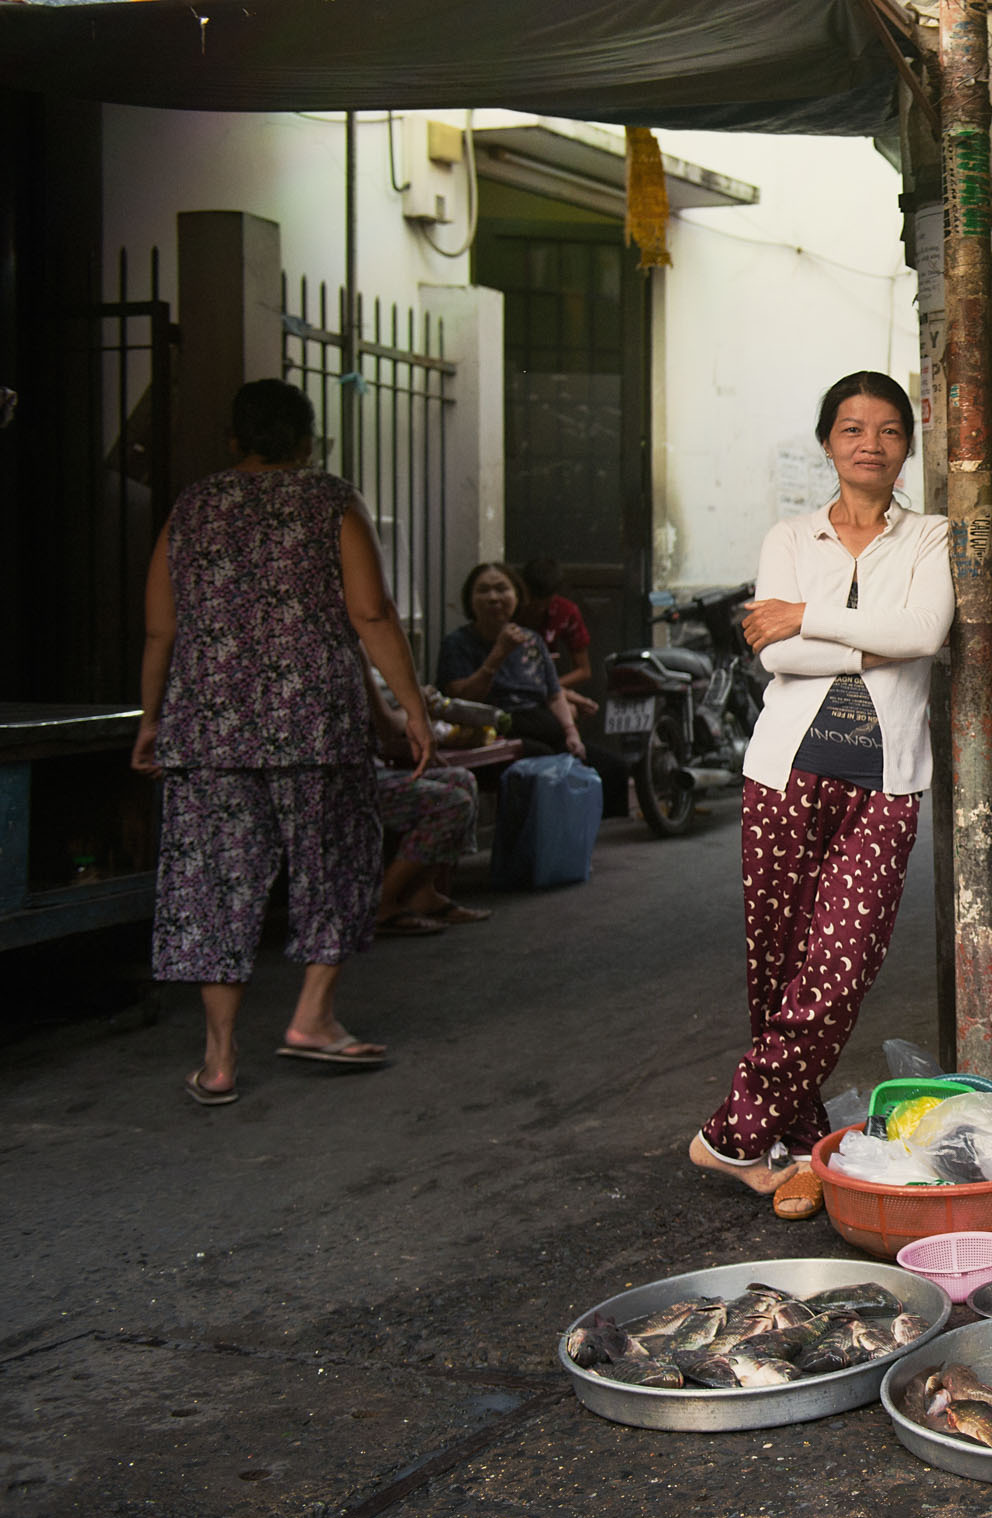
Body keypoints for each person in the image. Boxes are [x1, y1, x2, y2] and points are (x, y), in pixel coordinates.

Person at [687, 369, 950, 1217]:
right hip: (785, 776)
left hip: (884, 784)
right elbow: (776, 656)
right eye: (851, 428)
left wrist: (809, 617)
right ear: (828, 442)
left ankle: (730, 1133)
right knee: (779, 971)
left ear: (906, 445)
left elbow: (924, 633)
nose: (869, 442)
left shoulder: (931, 537)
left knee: (838, 968)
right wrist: (839, 633)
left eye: (886, 429)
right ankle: (790, 1140)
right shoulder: (790, 537)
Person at [131, 378, 432, 1107]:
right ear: (307, 441)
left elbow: (161, 628)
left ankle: (220, 1058)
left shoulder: (191, 508)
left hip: (209, 726)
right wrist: (412, 706)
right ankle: (312, 1014)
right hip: (313, 723)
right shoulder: (330, 501)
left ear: (235, 440)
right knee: (336, 858)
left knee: (214, 885)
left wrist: (151, 718)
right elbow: (371, 611)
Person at [435, 562, 628, 815]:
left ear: (517, 596)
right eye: (483, 591)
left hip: (544, 725)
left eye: (501, 589)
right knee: (547, 766)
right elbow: (459, 696)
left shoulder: (532, 640)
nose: (493, 597)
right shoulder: (457, 644)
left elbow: (554, 694)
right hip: (496, 729)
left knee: (613, 768)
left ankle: (584, 839)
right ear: (471, 600)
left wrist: (571, 733)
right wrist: (498, 655)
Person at [367, 668, 489, 935]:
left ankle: (423, 891)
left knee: (462, 779)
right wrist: (417, 711)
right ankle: (381, 903)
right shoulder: (354, 651)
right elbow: (387, 724)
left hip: (374, 763)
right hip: (355, 778)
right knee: (452, 802)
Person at [519, 556, 597, 718]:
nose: (538, 608)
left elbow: (583, 670)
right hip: (511, 685)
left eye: (545, 601)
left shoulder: (565, 612)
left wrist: (552, 688)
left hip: (545, 685)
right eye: (532, 600)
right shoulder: (509, 608)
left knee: (571, 711)